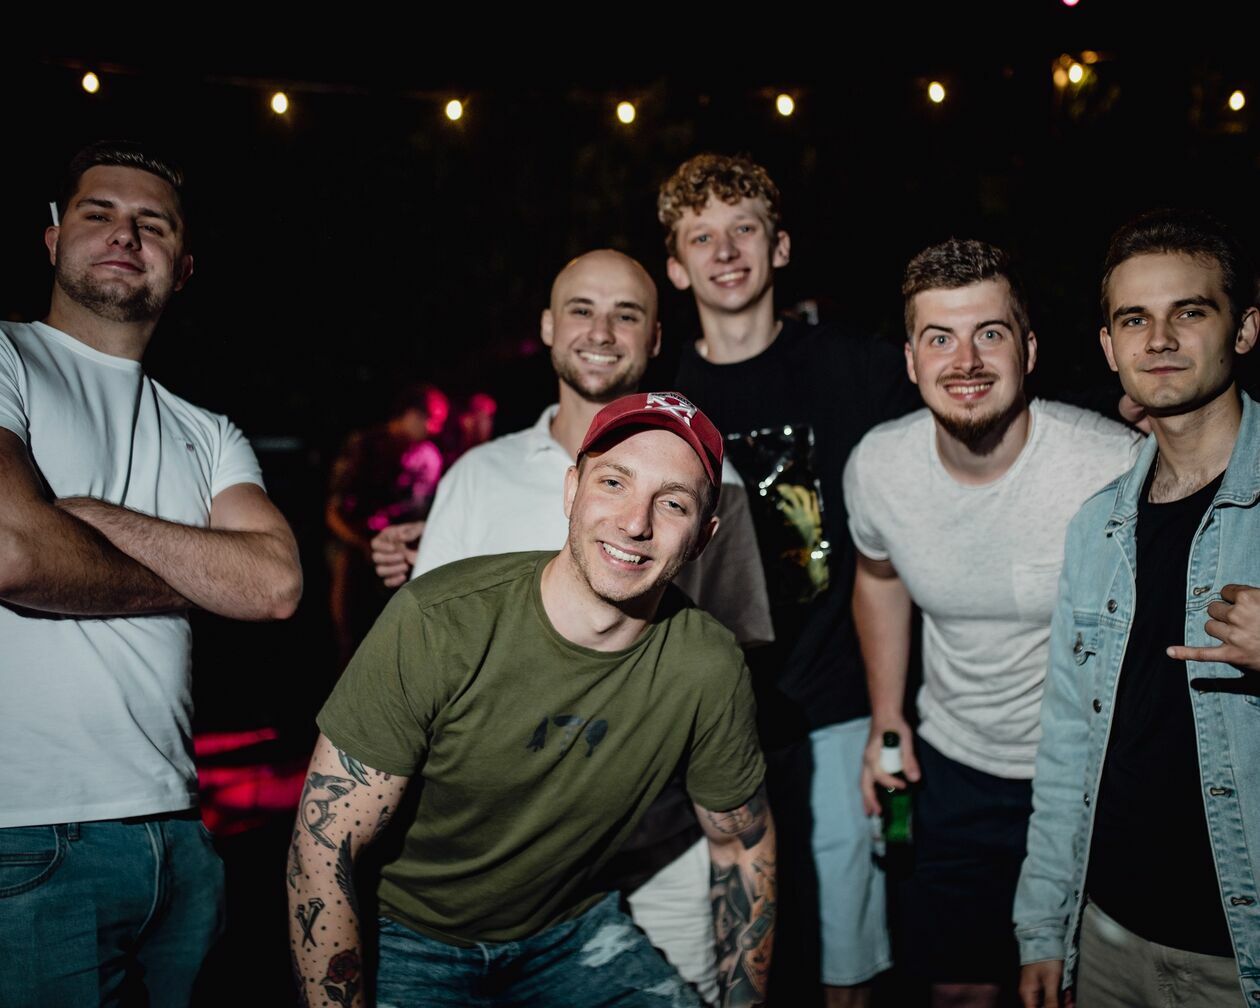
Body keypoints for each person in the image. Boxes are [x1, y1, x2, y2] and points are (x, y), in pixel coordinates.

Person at [370, 248, 771, 1003]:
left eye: (628, 314)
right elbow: (425, 666)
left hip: (664, 844)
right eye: (582, 310)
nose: (602, 331)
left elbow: (730, 657)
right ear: (550, 327)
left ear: (656, 338)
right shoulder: (477, 476)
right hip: (504, 868)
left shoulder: (718, 483)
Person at [288, 392, 775, 1008]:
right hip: (407, 937)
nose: (635, 522)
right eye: (614, 482)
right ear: (571, 491)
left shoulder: (707, 665)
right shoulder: (439, 621)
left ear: (703, 537)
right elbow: (322, 846)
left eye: (672, 503)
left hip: (568, 932)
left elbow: (742, 845)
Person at [0, 141, 302, 1006]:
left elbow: (275, 584)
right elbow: (13, 549)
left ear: (185, 265)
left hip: (179, 834)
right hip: (26, 832)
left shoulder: (207, 430)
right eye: (98, 213)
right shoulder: (7, 358)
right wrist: (198, 576)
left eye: (153, 224)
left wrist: (89, 521)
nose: (124, 235)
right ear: (52, 240)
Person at [844, 238, 1139, 1008]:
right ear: (911, 361)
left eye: (990, 333)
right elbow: (878, 578)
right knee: (958, 990)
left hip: (1091, 777)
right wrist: (886, 718)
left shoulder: (1111, 465)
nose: (966, 361)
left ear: (1028, 350)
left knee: (1070, 990)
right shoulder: (879, 467)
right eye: (939, 338)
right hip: (954, 768)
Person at [660, 152, 917, 1007]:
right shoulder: (664, 396)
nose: (725, 251)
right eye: (702, 236)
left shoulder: (855, 366)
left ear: (780, 248)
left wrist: (1127, 411)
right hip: (707, 721)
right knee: (731, 967)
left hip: (838, 706)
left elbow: (972, 408)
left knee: (848, 962)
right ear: (676, 266)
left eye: (744, 229)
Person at [1016, 209, 1260, 1008]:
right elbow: (1067, 744)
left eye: (1189, 312)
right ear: (1109, 346)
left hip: (1239, 955)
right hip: (1109, 939)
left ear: (1244, 329)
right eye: (1134, 319)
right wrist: (1044, 927)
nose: (1159, 339)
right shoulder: (1096, 528)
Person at [326, 382, 449, 665]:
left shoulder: (427, 456)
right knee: (346, 567)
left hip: (400, 543)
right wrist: (363, 544)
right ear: (412, 414)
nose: (435, 429)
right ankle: (346, 654)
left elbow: (423, 511)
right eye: (432, 420)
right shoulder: (364, 445)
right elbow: (333, 512)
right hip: (354, 542)